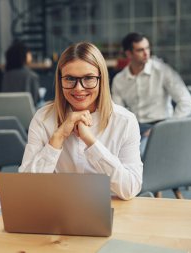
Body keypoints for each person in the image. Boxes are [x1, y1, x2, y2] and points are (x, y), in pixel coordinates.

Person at [18, 42, 143, 200]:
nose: (78, 88)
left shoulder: (125, 121)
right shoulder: (43, 118)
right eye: (70, 78)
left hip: (111, 208)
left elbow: (130, 188)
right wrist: (58, 136)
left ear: (101, 79)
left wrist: (91, 142)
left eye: (89, 78)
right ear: (60, 80)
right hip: (57, 211)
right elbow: (26, 188)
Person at [111, 32, 191, 141]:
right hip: (135, 128)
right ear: (129, 54)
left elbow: (186, 102)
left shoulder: (163, 71)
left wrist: (168, 127)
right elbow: (118, 113)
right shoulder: (119, 80)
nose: (146, 53)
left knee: (144, 151)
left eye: (147, 48)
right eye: (140, 50)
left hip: (162, 124)